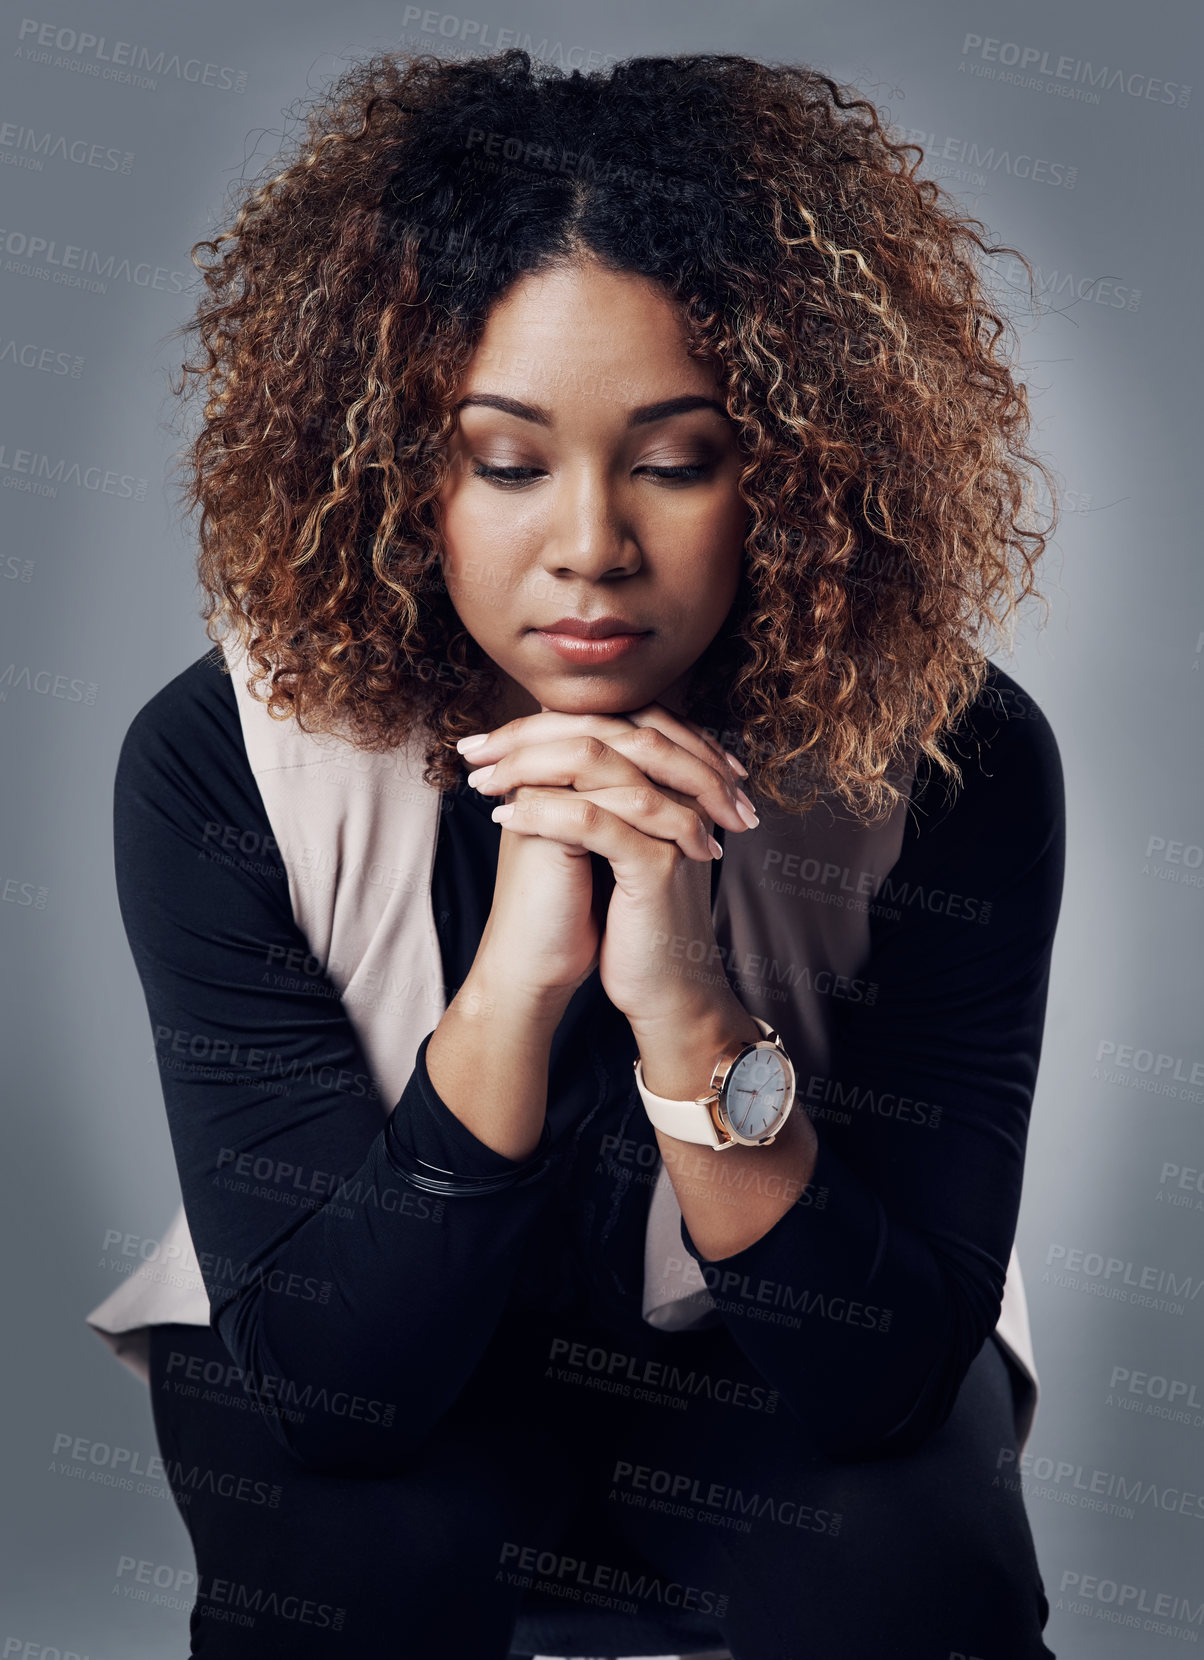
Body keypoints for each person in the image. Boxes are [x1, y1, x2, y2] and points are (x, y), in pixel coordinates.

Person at [87, 48, 1065, 1660]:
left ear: (797, 473)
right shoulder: (222, 764)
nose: (594, 544)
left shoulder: (955, 759)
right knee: (343, 1594)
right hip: (359, 1314)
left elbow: (878, 1375)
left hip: (776, 1343)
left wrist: (680, 998)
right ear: (407, 469)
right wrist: (519, 974)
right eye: (509, 460)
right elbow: (344, 1390)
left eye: (679, 459)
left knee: (927, 1602)